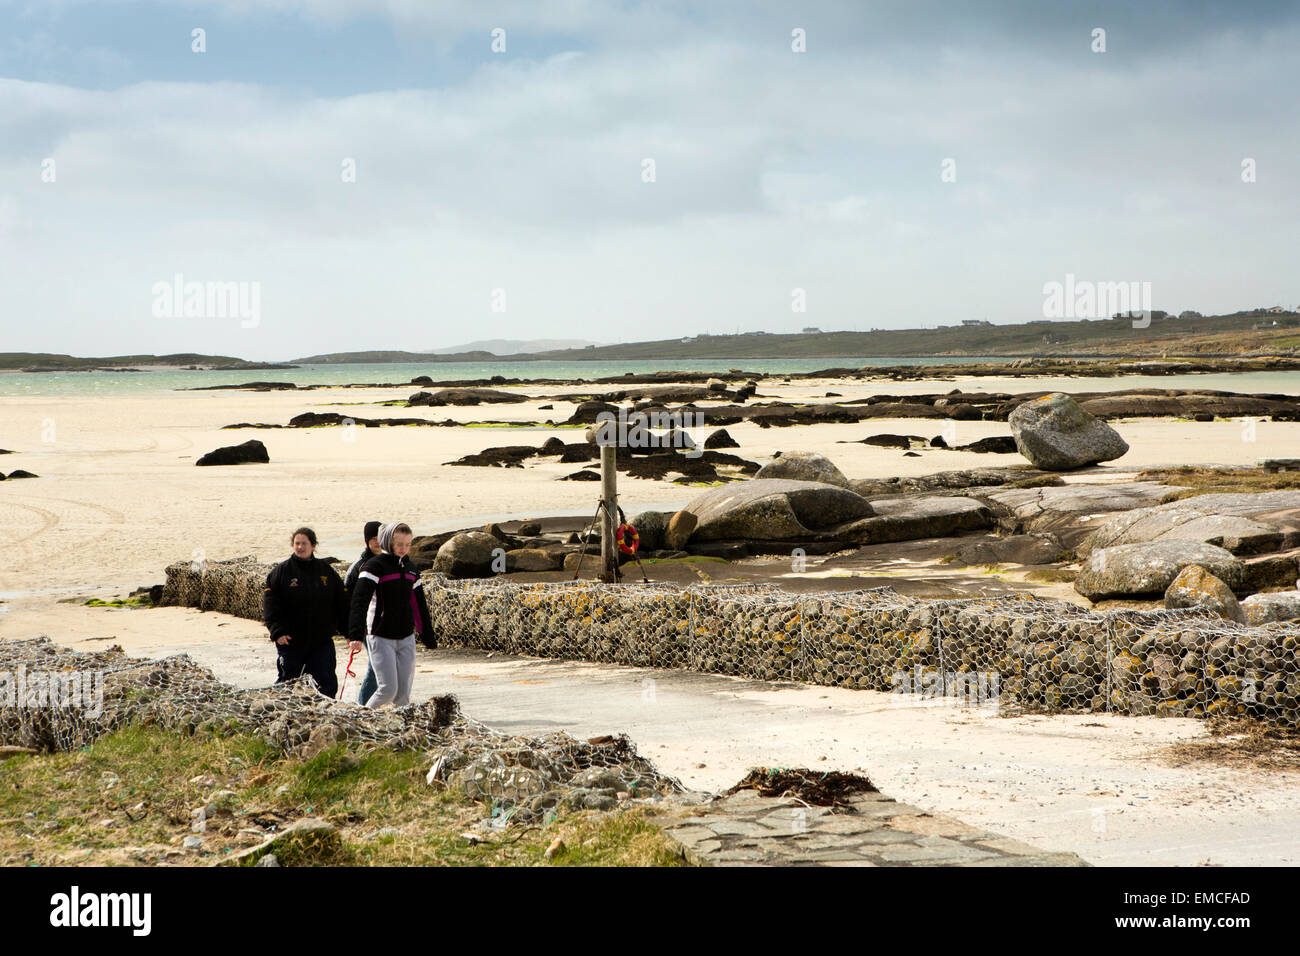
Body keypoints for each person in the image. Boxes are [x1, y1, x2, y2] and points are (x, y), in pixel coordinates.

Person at [347, 521, 432, 708]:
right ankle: (363, 719)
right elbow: (359, 602)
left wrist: (427, 634)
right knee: (388, 689)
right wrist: (355, 635)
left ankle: (401, 725)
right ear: (388, 542)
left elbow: (419, 604)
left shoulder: (411, 568)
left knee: (403, 694)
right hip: (380, 635)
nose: (403, 549)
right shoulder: (374, 566)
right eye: (399, 544)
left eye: (408, 544)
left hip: (406, 636)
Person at [263, 526, 348, 697]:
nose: (300, 547)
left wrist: (349, 633)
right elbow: (270, 605)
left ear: (313, 546)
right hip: (291, 641)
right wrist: (277, 632)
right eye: (297, 543)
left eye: (304, 543)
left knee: (326, 682)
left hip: (321, 641)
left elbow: (342, 602)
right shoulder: (281, 572)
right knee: (288, 683)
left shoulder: (326, 571)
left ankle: (324, 710)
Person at [344, 520, 383, 705]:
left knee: (384, 668)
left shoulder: (392, 562)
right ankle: (364, 707)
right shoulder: (359, 567)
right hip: (367, 625)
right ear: (367, 541)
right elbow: (348, 600)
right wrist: (351, 632)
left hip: (387, 624)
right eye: (372, 538)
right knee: (375, 668)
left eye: (380, 537)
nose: (377, 542)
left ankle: (373, 704)